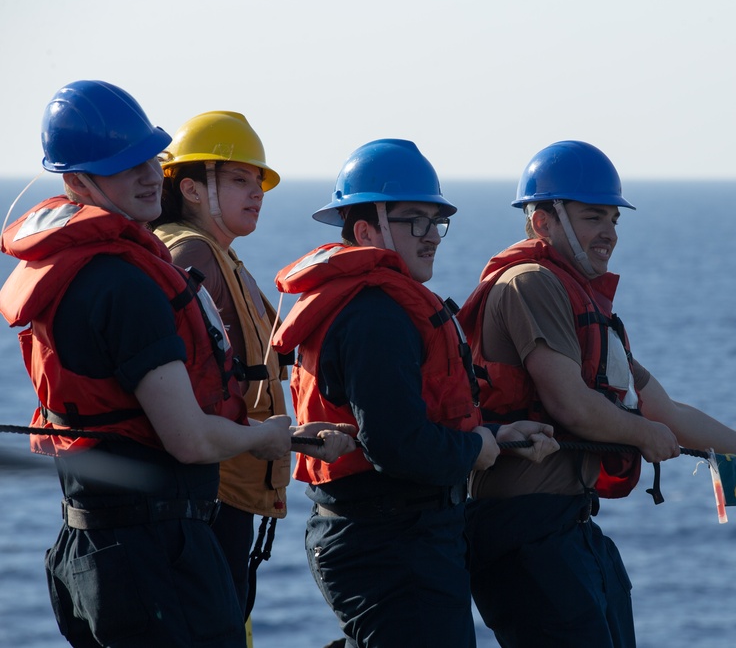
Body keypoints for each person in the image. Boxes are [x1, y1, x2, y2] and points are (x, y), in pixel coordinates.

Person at [0, 80, 345, 647]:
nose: (143, 176)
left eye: (147, 158)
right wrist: (269, 437)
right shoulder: (127, 281)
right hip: (155, 554)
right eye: (120, 165)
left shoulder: (82, 269)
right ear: (75, 182)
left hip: (90, 544)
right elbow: (188, 439)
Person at [458, 140, 736, 648]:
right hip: (524, 530)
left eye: (613, 219)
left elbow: (664, 410)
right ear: (543, 222)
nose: (608, 233)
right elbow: (570, 404)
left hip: (567, 528)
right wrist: (641, 433)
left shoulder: (580, 303)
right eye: (592, 218)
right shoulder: (530, 283)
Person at [271, 138, 558, 647]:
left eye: (436, 222)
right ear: (366, 230)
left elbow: (398, 423)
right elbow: (396, 445)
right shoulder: (374, 316)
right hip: (391, 545)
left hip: (389, 538)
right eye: (414, 221)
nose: (432, 237)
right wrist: (475, 448)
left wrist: (496, 432)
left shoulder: (372, 306)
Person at [151, 110, 307, 620]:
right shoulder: (192, 252)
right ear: (192, 189)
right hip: (210, 488)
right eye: (239, 178)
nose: (257, 191)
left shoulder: (219, 255)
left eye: (258, 181)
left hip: (228, 479)